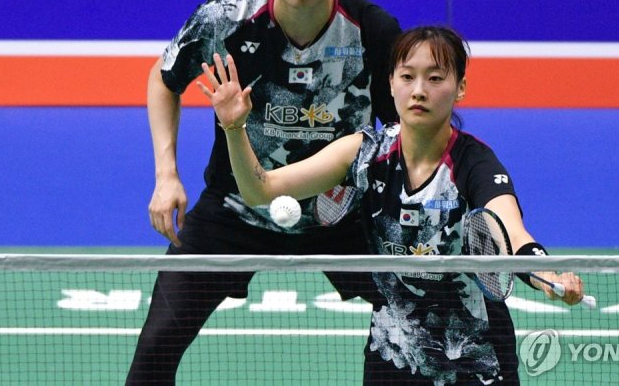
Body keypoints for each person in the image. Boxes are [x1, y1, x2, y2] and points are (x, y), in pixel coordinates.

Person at [199, 25, 586, 385]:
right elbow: (260, 190)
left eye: (435, 78)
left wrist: (547, 274)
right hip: (394, 348)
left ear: (461, 87)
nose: (419, 90)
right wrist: (234, 128)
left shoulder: (474, 162)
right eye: (407, 76)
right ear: (391, 83)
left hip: (474, 352)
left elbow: (511, 233)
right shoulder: (364, 153)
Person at [126, 0, 401, 384]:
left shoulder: (372, 32)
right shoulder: (226, 19)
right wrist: (167, 174)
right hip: (235, 208)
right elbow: (164, 79)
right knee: (154, 351)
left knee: (418, 321)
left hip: (342, 212)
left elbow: (401, 129)